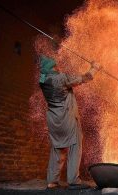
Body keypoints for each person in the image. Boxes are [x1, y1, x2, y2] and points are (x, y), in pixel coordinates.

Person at [38, 55, 101, 189]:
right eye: (55, 65)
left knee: (57, 149)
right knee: (75, 147)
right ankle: (73, 181)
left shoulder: (43, 80)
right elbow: (85, 78)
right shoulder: (61, 78)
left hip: (54, 120)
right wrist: (94, 68)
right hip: (67, 119)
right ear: (52, 67)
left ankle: (52, 182)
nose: (58, 66)